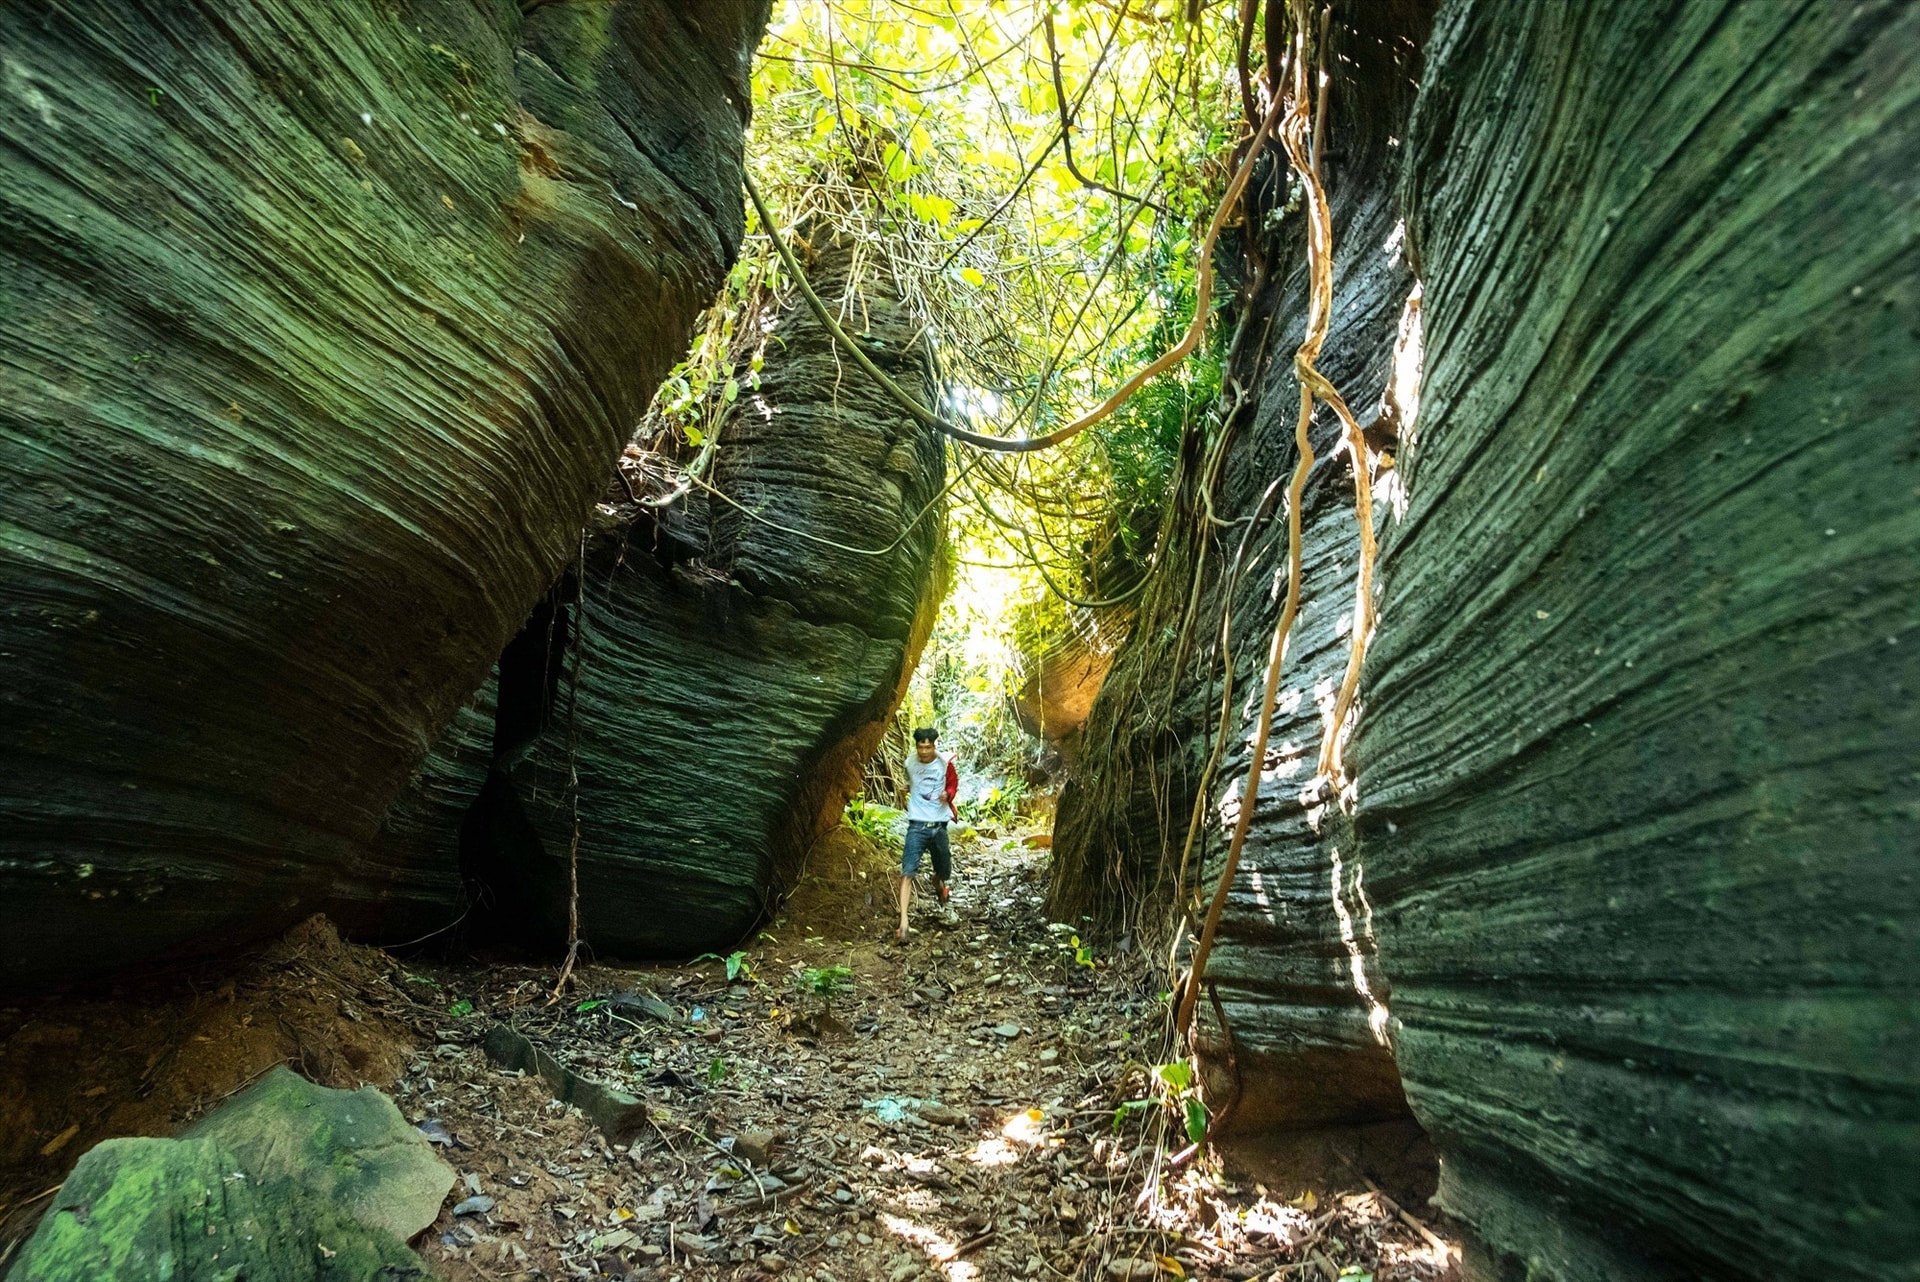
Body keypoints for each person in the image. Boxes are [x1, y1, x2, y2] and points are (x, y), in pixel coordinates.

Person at [897, 726, 957, 942]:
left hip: (939, 826)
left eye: (928, 747)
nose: (924, 752)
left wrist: (947, 794)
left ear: (934, 746)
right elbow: (912, 781)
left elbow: (953, 785)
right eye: (920, 747)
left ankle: (939, 885)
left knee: (943, 870)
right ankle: (903, 922)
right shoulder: (909, 763)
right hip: (917, 825)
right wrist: (906, 788)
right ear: (916, 746)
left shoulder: (944, 763)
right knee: (908, 871)